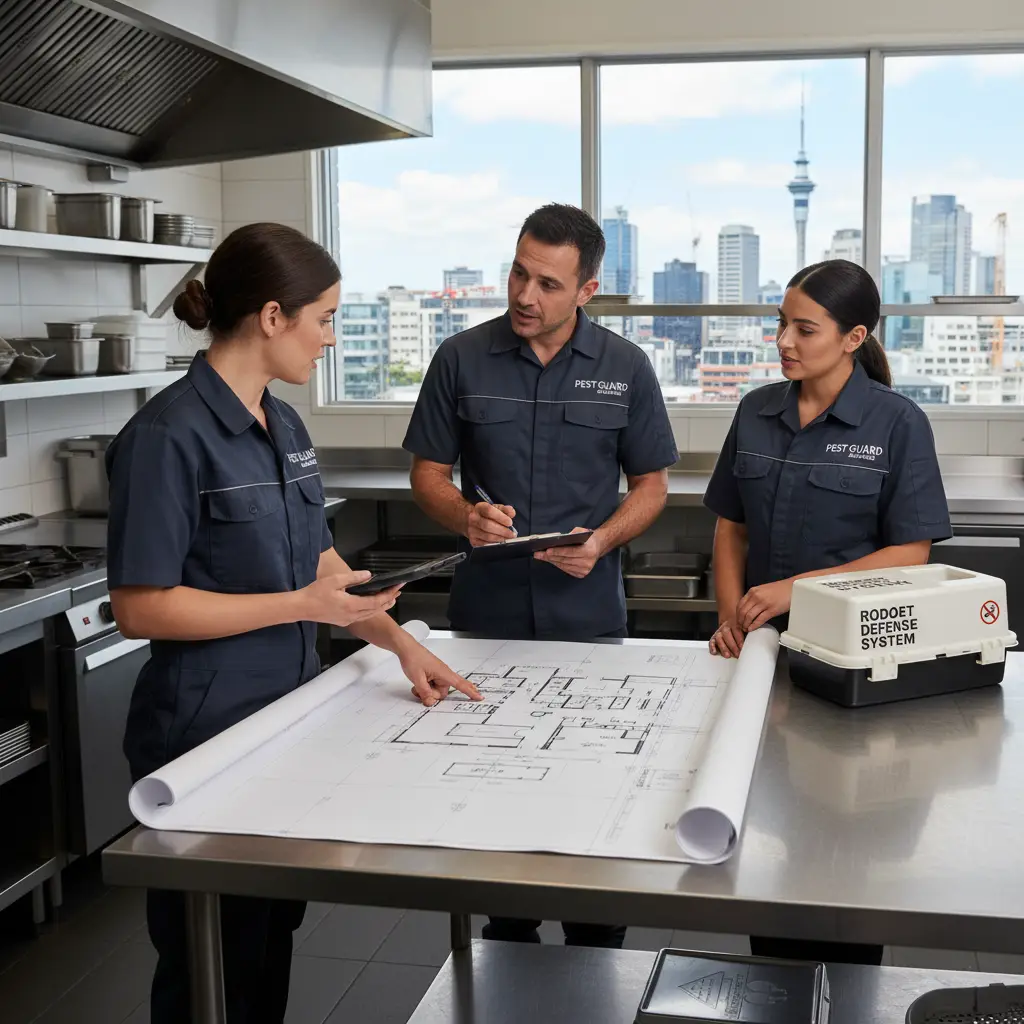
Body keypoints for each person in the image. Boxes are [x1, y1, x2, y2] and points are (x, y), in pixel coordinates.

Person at [106, 222, 481, 1024]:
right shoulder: (168, 437)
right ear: (273, 317)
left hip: (283, 719)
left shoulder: (286, 425)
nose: (331, 339)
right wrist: (302, 607)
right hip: (201, 733)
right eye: (326, 319)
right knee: (212, 958)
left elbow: (319, 567)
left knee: (268, 937)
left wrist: (406, 643)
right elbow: (140, 609)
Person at [403, 203, 678, 949]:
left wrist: (604, 540)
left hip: (589, 622)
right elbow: (427, 474)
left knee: (592, 813)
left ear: (587, 289)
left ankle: (598, 958)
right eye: (519, 273)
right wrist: (465, 515)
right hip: (485, 622)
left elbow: (652, 485)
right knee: (494, 815)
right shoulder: (460, 358)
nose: (526, 295)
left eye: (548, 284)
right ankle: (508, 956)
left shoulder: (625, 368)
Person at [703, 258, 951, 965]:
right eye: (781, 323)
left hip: (857, 675)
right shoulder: (756, 410)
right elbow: (729, 526)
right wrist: (732, 617)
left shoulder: (897, 423)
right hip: (765, 670)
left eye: (804, 328)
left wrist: (797, 591)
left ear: (853, 337)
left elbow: (911, 554)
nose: (784, 339)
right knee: (768, 850)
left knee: (848, 855)